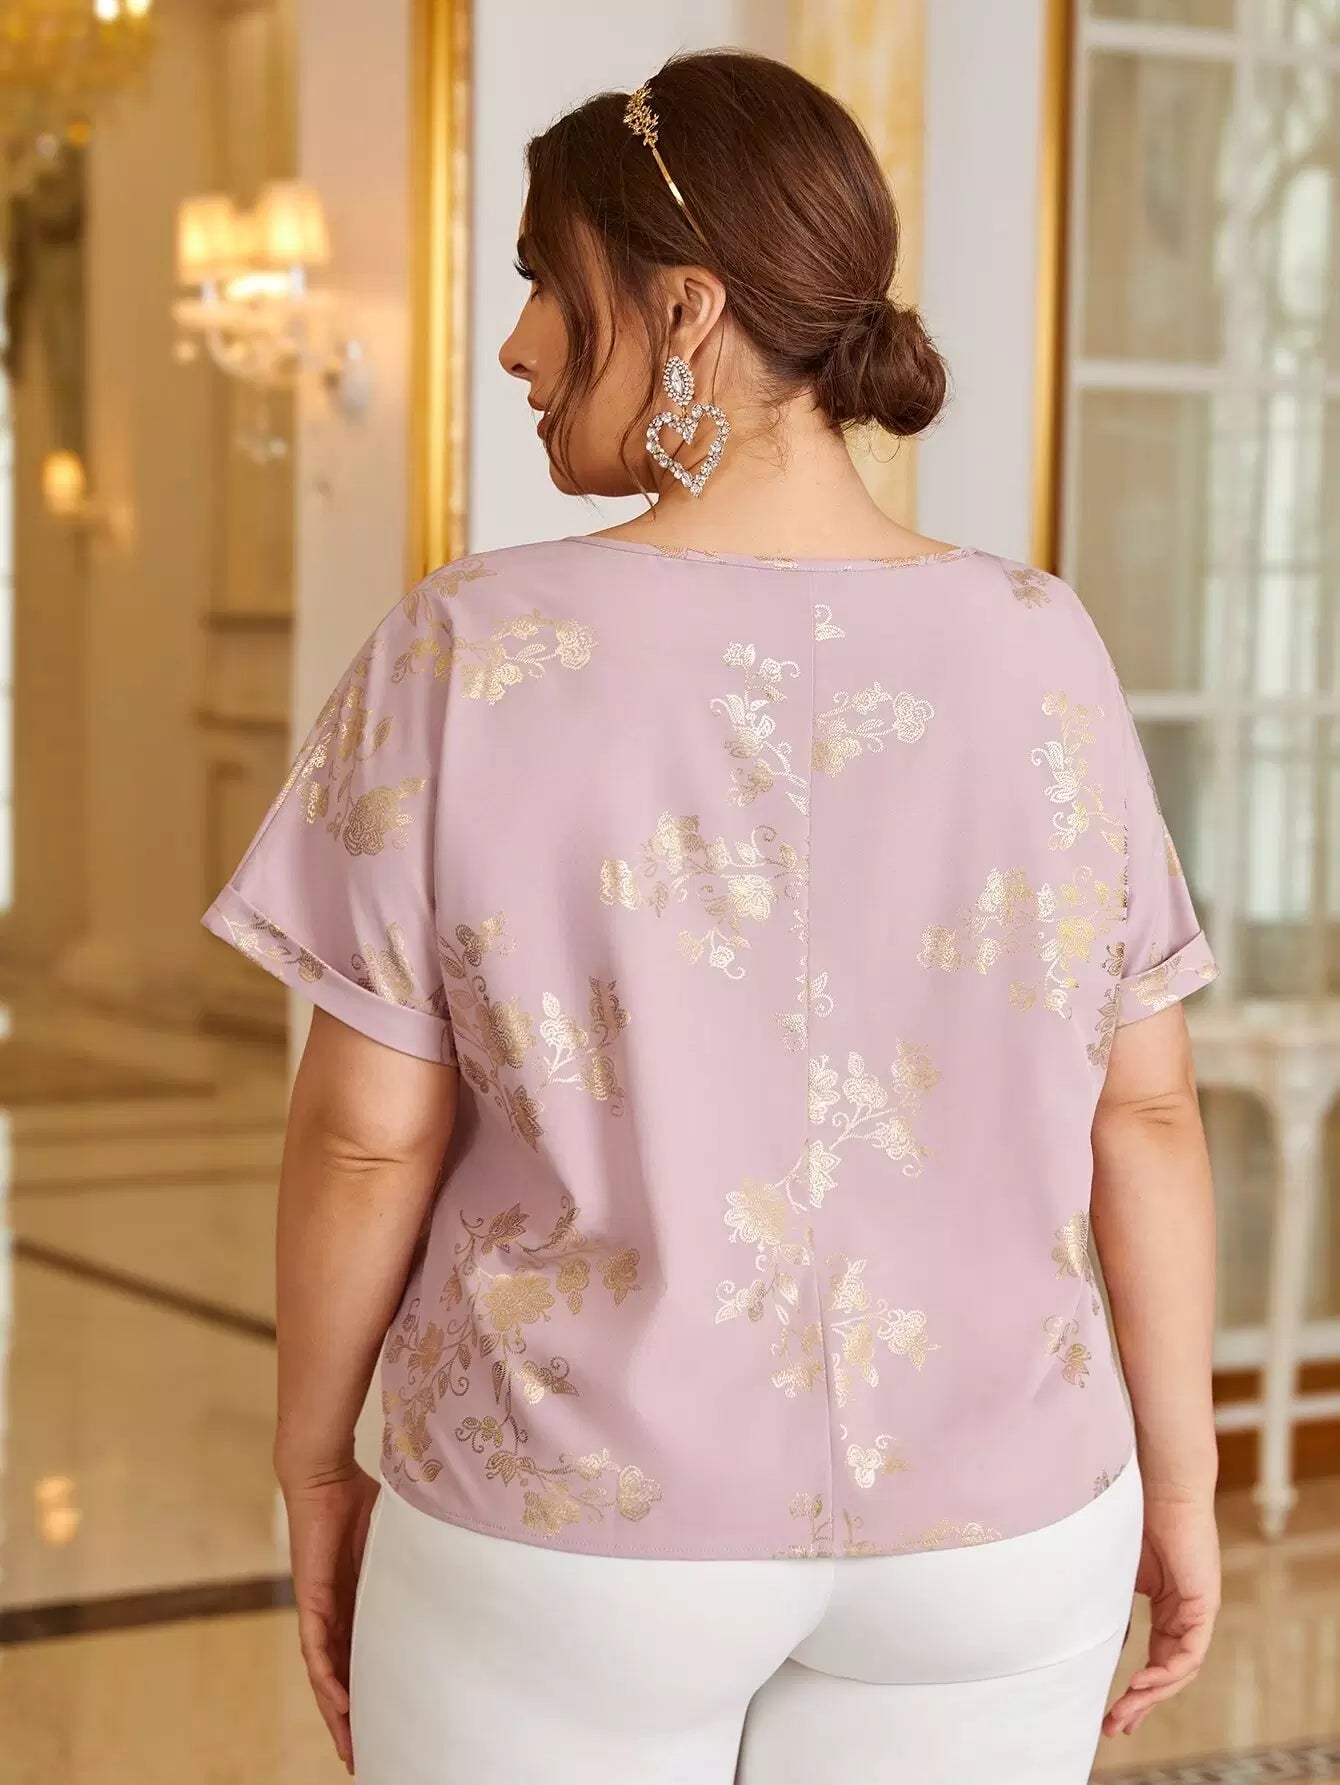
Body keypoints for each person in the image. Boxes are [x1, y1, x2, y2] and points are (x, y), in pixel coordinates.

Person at [202, 47, 1222, 1785]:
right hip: (1000, 1523)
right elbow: (1148, 1111)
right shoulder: (1043, 643)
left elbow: (370, 1138)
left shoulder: (472, 647)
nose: (517, 343)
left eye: (546, 280)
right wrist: (1181, 1486)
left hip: (574, 1517)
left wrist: (314, 1461)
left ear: (686, 308)